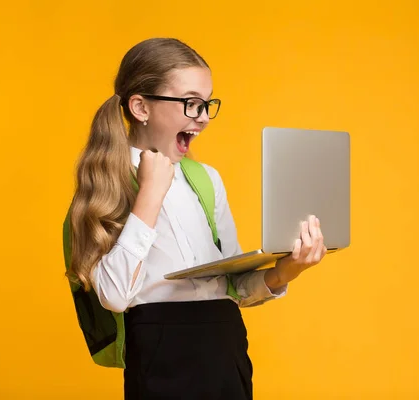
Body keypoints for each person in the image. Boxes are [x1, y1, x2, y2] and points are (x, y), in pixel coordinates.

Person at [66, 37, 328, 399]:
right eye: (191, 104)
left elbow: (233, 287)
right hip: (161, 352)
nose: (203, 118)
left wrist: (287, 270)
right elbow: (113, 296)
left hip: (225, 344)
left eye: (206, 104)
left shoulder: (206, 179)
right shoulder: (105, 181)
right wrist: (150, 195)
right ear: (140, 107)